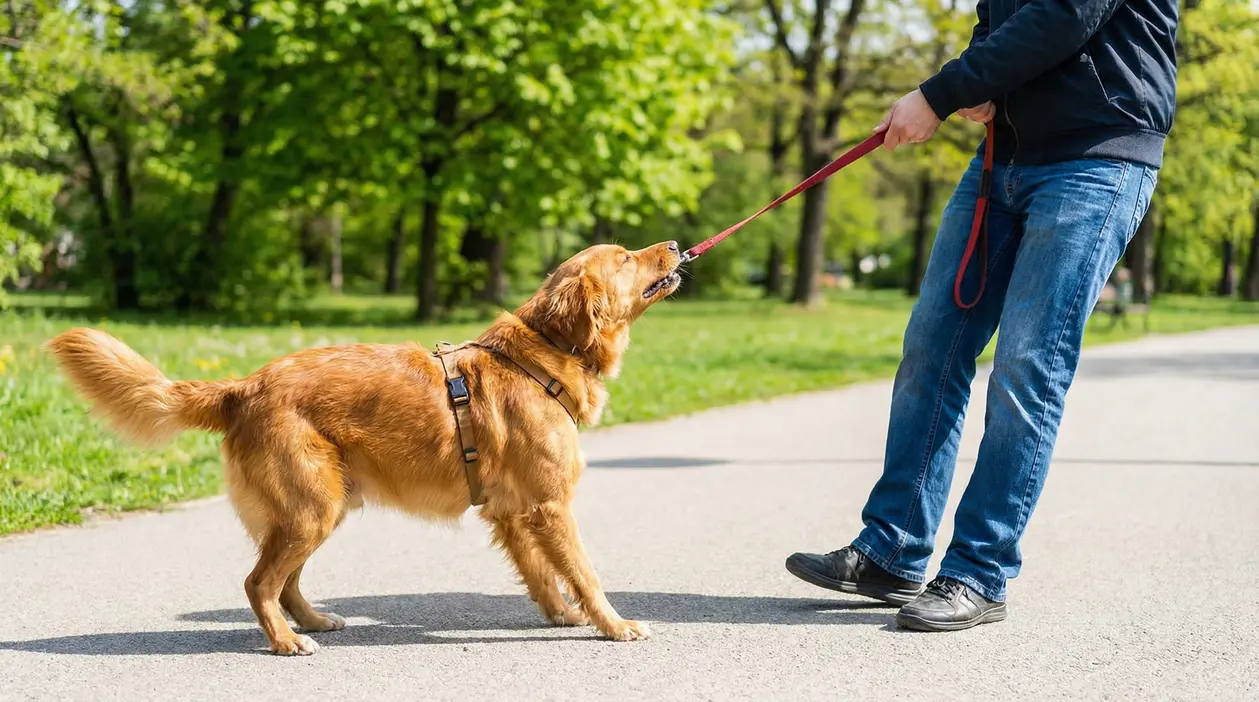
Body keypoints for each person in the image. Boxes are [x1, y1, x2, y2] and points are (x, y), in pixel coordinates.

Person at [786, 0, 1179, 631]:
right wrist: (983, 83)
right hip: (1004, 157)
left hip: (1098, 155)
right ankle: (892, 549)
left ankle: (978, 571)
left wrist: (939, 94)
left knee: (1027, 365)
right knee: (931, 346)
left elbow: (1064, 14)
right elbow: (1000, 21)